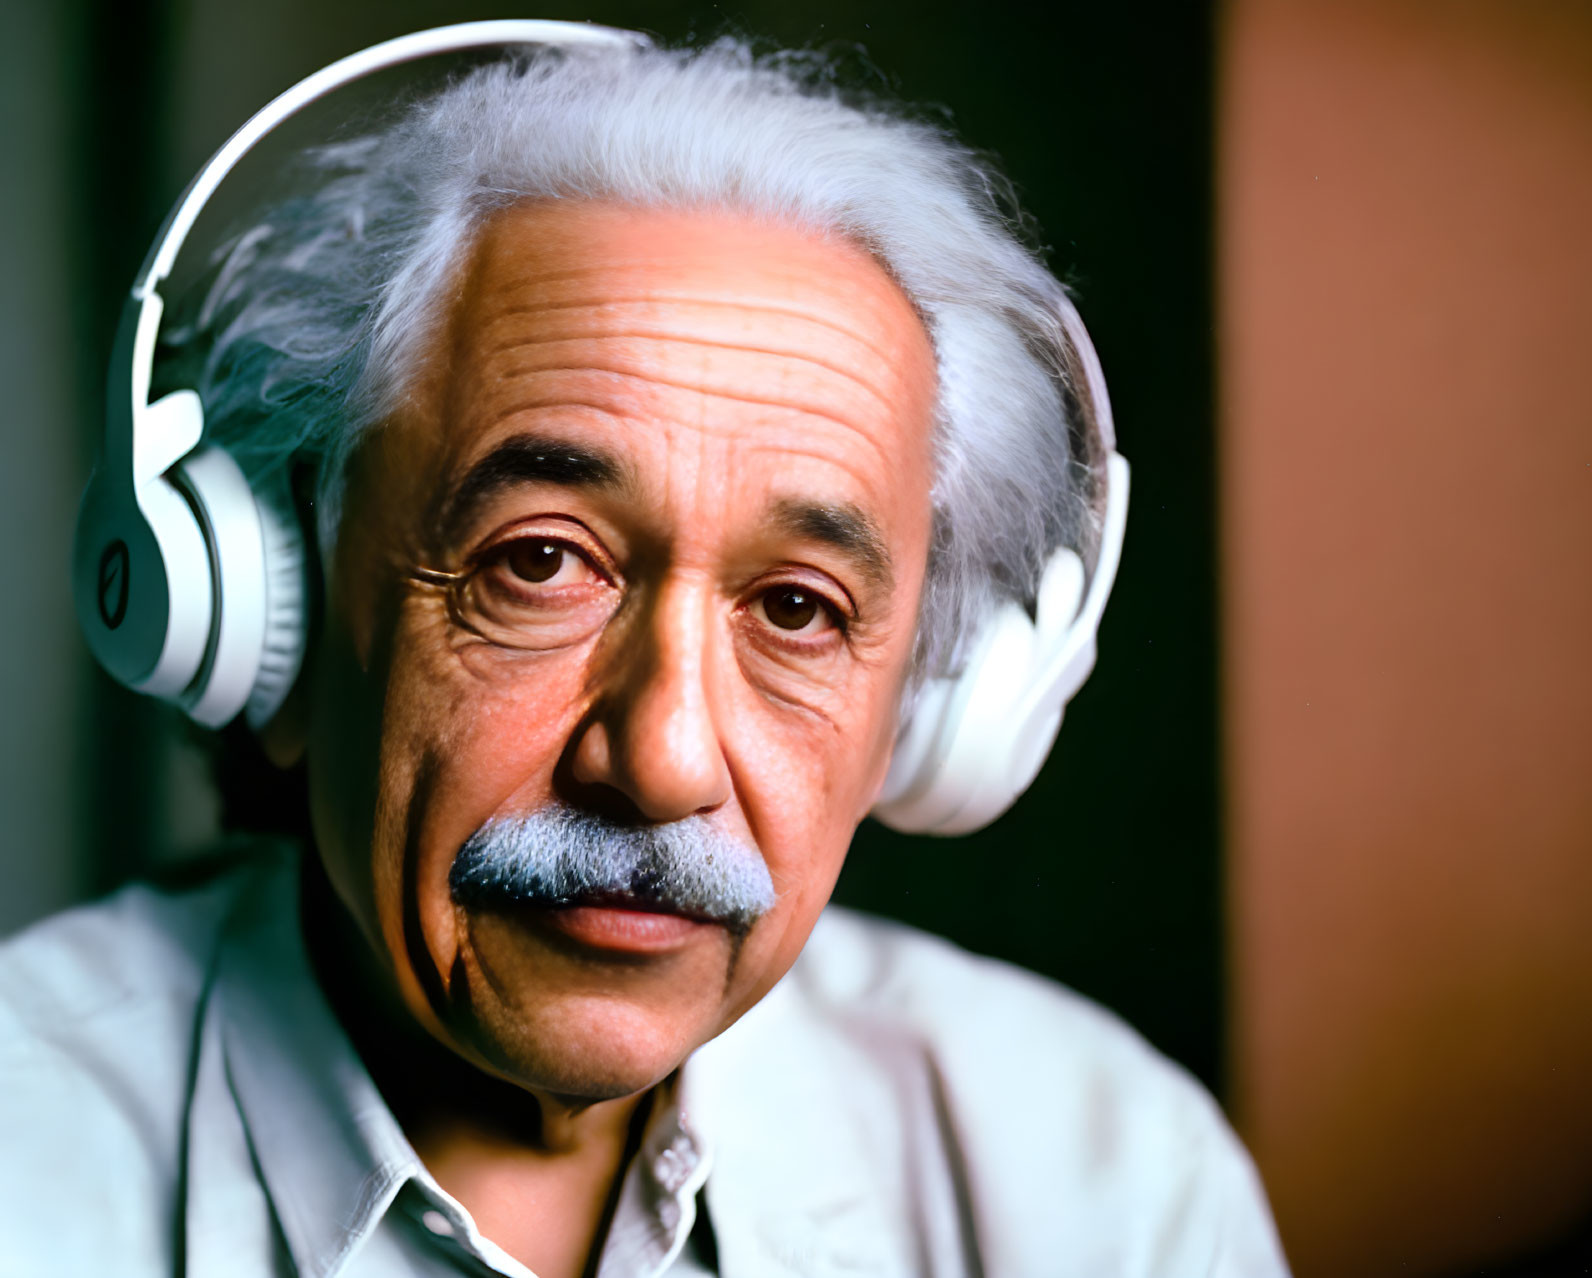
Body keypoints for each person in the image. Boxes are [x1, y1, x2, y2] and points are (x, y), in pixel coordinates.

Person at [1, 26, 1288, 1278]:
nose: (664, 764)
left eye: (797, 609)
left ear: (931, 716)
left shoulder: (1111, 1190)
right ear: (265, 615)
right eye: (542, 562)